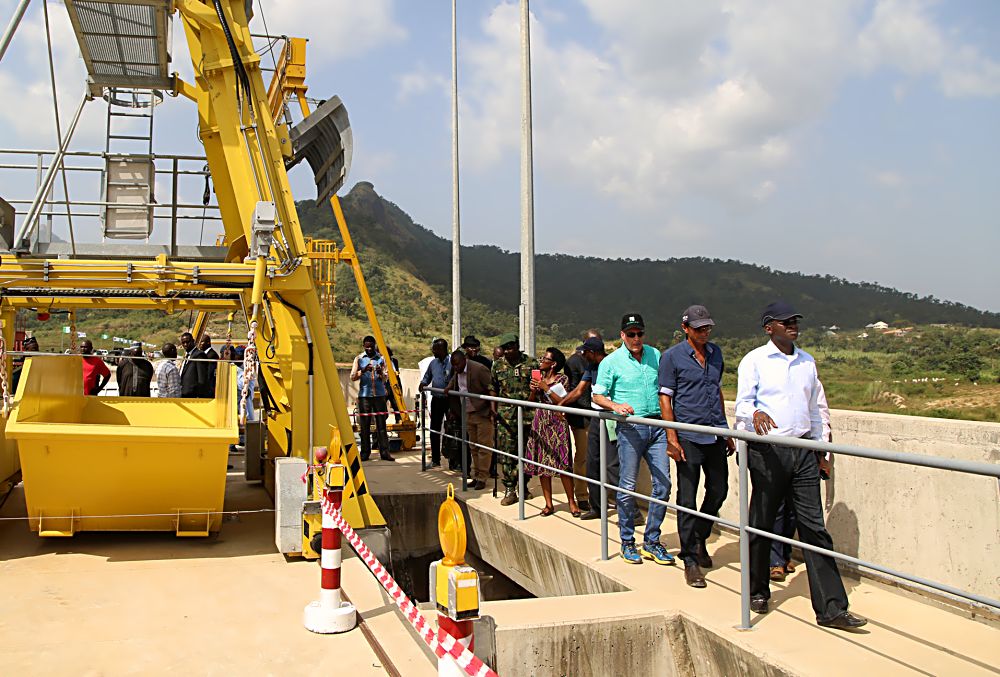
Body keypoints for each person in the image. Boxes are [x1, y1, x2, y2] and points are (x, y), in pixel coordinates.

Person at [736, 301, 866, 629]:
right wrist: (754, 414)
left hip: (804, 452)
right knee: (761, 522)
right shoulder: (755, 361)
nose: (793, 326)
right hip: (768, 450)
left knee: (815, 528)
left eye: (794, 321)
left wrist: (822, 452)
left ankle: (831, 609)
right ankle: (757, 590)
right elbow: (742, 404)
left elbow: (816, 410)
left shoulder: (807, 363)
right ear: (769, 328)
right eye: (785, 322)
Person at [658, 305, 734, 588]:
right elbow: (666, 399)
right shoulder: (672, 357)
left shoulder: (716, 354)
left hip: (714, 433)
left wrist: (725, 429)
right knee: (687, 498)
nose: (704, 333)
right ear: (685, 328)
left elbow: (717, 390)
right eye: (699, 328)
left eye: (707, 328)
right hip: (688, 436)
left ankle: (700, 535)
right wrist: (672, 437)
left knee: (719, 490)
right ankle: (689, 558)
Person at [592, 313, 674, 566]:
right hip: (630, 428)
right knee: (627, 486)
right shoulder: (611, 362)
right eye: (631, 334)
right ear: (622, 336)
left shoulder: (655, 355)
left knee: (664, 485)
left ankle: (651, 540)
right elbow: (597, 396)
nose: (636, 338)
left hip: (657, 426)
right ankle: (627, 541)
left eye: (639, 333)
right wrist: (615, 406)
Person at [770, 379, 832, 582]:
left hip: (805, 452)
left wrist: (823, 455)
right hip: (776, 450)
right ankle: (774, 561)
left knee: (794, 511)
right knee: (777, 508)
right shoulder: (767, 378)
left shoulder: (811, 381)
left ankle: (785, 554)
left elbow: (820, 416)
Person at [570, 337, 622, 521]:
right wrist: (559, 406)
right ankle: (597, 507)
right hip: (596, 418)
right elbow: (578, 391)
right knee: (592, 463)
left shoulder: (612, 365)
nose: (582, 355)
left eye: (585, 352)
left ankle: (630, 512)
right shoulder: (591, 368)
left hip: (612, 419)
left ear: (593, 353)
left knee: (612, 466)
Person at [526, 347, 580, 517]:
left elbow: (563, 401)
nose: (541, 361)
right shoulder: (539, 379)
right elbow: (530, 403)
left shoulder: (562, 379)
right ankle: (548, 504)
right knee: (543, 464)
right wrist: (534, 390)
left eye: (545, 358)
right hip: (540, 422)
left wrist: (547, 388)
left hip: (557, 422)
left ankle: (572, 502)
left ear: (554, 363)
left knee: (563, 463)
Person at [491, 333, 538, 506]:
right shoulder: (497, 365)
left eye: (511, 347)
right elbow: (493, 388)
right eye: (505, 348)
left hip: (528, 415)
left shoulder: (532, 363)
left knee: (526, 453)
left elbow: (537, 386)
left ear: (517, 346)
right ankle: (510, 489)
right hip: (506, 417)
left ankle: (523, 486)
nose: (508, 351)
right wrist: (493, 408)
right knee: (507, 453)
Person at [561, 329, 602, 513]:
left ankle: (603, 495)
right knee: (583, 457)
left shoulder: (604, 363)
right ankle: (582, 495)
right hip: (582, 418)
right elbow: (576, 391)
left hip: (602, 416)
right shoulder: (574, 362)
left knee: (603, 459)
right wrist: (562, 406)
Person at [446, 350, 495, 490]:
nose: (455, 368)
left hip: (482, 412)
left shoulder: (478, 369)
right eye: (453, 365)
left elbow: (491, 389)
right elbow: (455, 381)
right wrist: (449, 388)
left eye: (457, 365)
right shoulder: (457, 370)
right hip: (467, 412)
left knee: (484, 447)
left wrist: (493, 410)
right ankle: (476, 475)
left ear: (464, 361)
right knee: (473, 446)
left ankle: (483, 477)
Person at [351, 335, 395, 462]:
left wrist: (381, 372)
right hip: (365, 396)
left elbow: (386, 378)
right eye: (367, 346)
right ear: (364, 346)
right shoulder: (359, 359)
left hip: (380, 396)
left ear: (374, 345)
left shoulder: (381, 358)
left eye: (371, 346)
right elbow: (352, 377)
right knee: (364, 426)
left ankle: (385, 452)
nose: (369, 349)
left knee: (381, 425)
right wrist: (363, 370)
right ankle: (365, 453)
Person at [418, 338, 452, 468]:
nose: (433, 351)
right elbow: (427, 378)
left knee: (452, 429)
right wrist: (422, 384)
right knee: (434, 430)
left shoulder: (452, 363)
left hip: (450, 401)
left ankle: (453, 461)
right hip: (437, 399)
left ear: (442, 349)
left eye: (435, 349)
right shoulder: (433, 363)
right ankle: (436, 460)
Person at [179, 332, 210, 398]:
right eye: (183, 343)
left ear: (193, 341)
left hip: (194, 396)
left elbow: (202, 378)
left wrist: (199, 396)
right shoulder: (187, 356)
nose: (185, 344)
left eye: (187, 342)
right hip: (184, 395)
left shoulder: (199, 355)